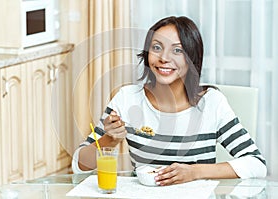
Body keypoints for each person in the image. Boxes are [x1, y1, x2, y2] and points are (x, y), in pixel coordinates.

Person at [72, 16, 267, 185]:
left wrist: (194, 173)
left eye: (177, 50)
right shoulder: (127, 98)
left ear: (192, 58)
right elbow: (79, 165)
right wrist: (110, 139)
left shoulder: (212, 103)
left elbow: (256, 164)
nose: (164, 58)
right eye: (157, 47)